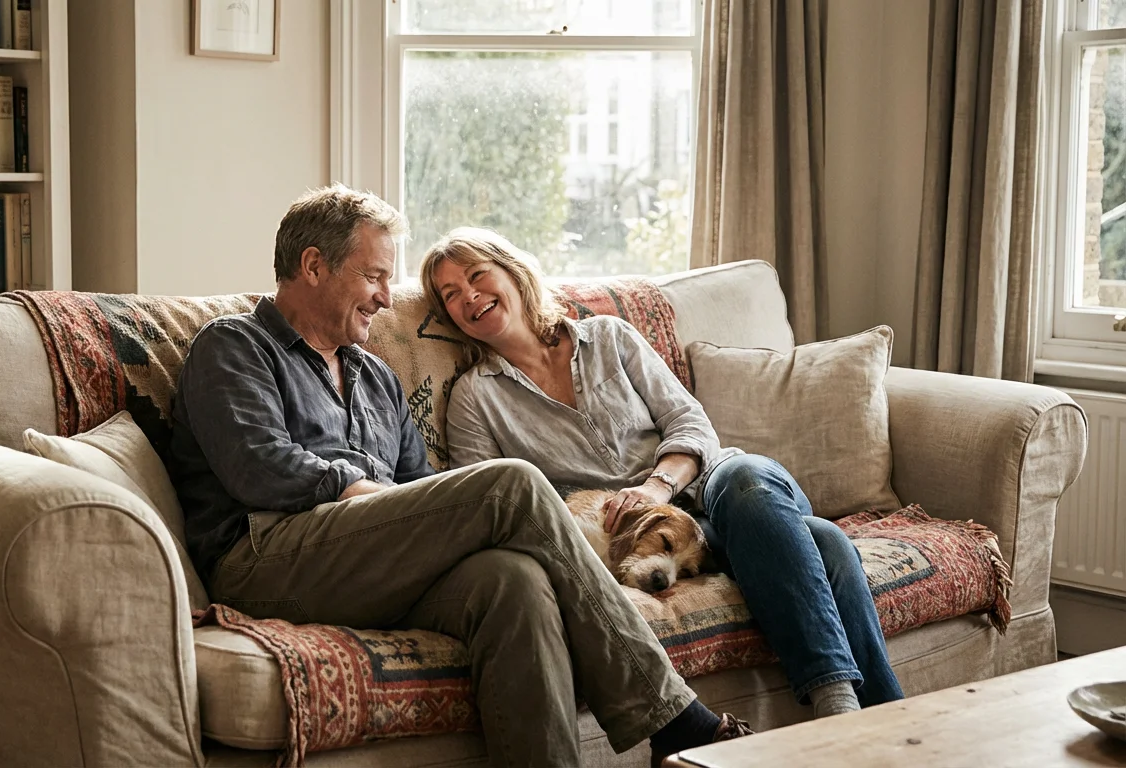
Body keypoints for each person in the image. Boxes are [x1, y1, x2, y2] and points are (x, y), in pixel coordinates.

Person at [167, 185, 751, 768]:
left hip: (371, 564)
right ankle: (675, 718)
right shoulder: (235, 345)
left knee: (513, 579)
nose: (383, 300)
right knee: (511, 485)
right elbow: (259, 466)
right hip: (266, 558)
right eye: (373, 277)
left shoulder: (374, 378)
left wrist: (400, 514)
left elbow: (417, 484)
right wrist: (372, 498)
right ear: (313, 265)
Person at [419, 226, 905, 723]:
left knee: (748, 486)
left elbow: (689, 421)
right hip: (656, 536)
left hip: (712, 486)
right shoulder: (475, 398)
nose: (469, 297)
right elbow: (487, 500)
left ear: (513, 273)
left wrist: (656, 486)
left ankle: (845, 713)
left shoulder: (607, 336)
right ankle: (874, 722)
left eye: (477, 276)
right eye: (451, 294)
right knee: (825, 544)